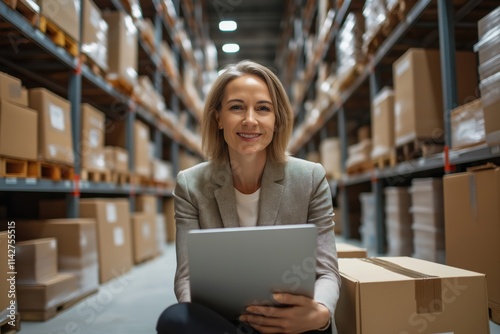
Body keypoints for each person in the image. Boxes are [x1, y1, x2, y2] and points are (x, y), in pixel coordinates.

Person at [156, 60, 340, 334]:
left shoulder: (310, 178)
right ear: (218, 117)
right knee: (174, 319)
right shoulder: (191, 184)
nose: (250, 120)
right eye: (236, 107)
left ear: (277, 120)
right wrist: (199, 308)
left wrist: (321, 313)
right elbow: (186, 276)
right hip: (226, 320)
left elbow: (327, 271)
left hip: (289, 321)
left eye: (263, 108)